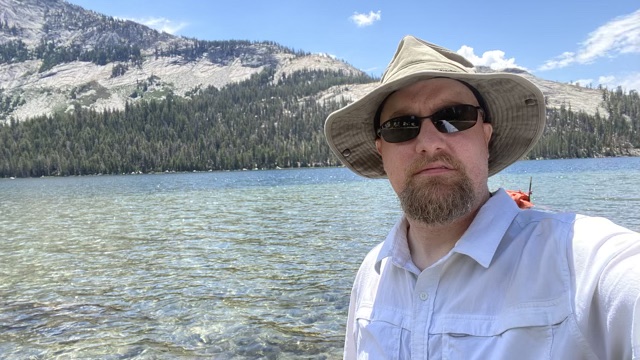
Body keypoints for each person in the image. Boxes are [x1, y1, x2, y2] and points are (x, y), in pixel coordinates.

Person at [324, 35, 640, 359]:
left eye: (454, 117)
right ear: (382, 152)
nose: (429, 142)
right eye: (401, 126)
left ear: (486, 137)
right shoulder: (371, 274)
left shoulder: (578, 260)